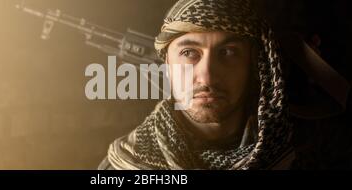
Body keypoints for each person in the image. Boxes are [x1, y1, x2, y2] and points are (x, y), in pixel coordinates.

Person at [99, 0, 294, 170]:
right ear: (167, 64)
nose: (207, 76)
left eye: (228, 52)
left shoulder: (295, 151)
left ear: (253, 63)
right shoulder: (122, 166)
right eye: (189, 53)